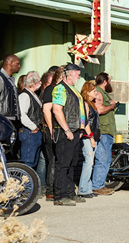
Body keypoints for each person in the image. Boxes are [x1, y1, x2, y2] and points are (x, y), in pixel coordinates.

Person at [52, 63, 88, 206]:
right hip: (65, 132)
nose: (79, 77)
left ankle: (70, 192)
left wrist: (81, 129)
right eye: (77, 74)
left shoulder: (74, 90)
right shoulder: (60, 88)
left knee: (72, 164)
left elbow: (80, 111)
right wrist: (67, 130)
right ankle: (59, 196)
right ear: (70, 73)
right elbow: (57, 110)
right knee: (63, 164)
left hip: (75, 131)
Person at [91, 72, 118, 196]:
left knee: (106, 159)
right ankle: (97, 186)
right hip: (103, 130)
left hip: (107, 131)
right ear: (105, 81)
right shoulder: (98, 92)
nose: (110, 83)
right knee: (102, 159)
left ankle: (100, 185)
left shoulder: (103, 93)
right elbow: (99, 109)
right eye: (109, 81)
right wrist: (112, 106)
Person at [41, 66, 62, 201]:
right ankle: (50, 190)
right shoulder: (51, 89)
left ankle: (55, 188)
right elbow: (46, 110)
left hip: (56, 129)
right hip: (52, 129)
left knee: (56, 160)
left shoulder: (57, 89)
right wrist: (50, 129)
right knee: (52, 161)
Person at [18, 72, 44, 178]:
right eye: (39, 80)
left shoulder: (33, 95)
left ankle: (30, 185)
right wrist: (34, 127)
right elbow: (22, 115)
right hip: (29, 132)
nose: (41, 82)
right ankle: (24, 185)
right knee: (28, 163)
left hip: (34, 132)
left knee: (33, 162)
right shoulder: (24, 95)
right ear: (33, 82)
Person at [78, 81, 101, 199]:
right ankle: (83, 189)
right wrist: (91, 137)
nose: (96, 93)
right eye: (94, 91)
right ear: (87, 92)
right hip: (87, 137)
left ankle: (88, 188)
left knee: (90, 162)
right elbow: (85, 122)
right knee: (88, 162)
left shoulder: (91, 104)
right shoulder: (85, 104)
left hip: (93, 137)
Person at [0, 54, 21, 122]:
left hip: (12, 121)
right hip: (4, 120)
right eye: (17, 63)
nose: (19, 66)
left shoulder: (10, 80)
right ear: (10, 63)